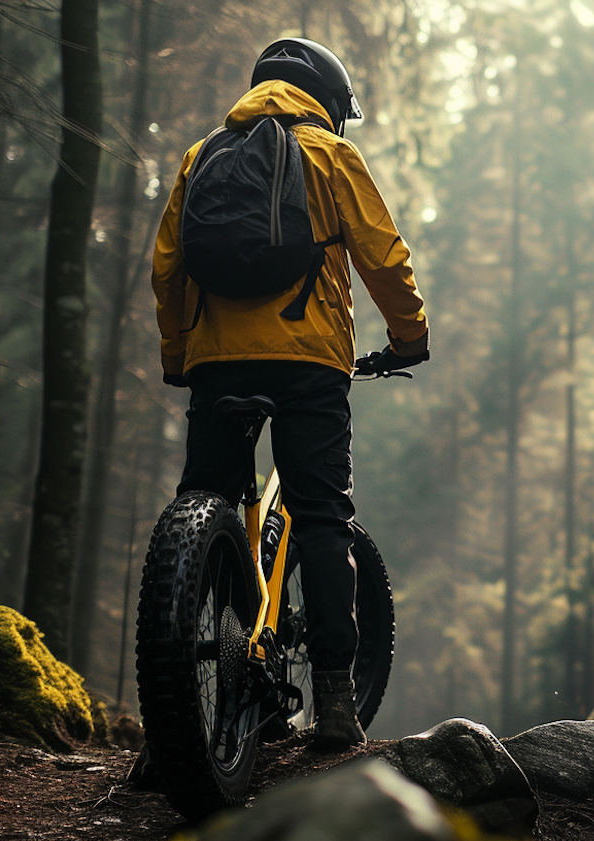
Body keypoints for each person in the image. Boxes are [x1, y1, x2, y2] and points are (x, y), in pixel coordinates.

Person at [151, 37, 428, 749]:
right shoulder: (332, 155)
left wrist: (182, 356)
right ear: (331, 103)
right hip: (308, 365)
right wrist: (408, 337)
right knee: (322, 518)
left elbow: (167, 267)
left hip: (217, 363)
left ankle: (170, 720)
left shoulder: (200, 154)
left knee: (200, 506)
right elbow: (383, 254)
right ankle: (335, 701)